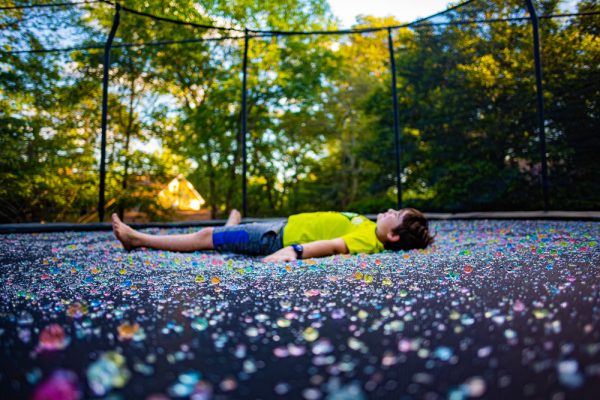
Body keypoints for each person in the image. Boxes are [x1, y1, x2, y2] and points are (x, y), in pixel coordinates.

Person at [111, 208, 434, 262]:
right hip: (277, 227)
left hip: (272, 238)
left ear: (392, 236)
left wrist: (293, 251)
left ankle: (136, 239)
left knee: (207, 237)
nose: (390, 211)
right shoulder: (368, 228)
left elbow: (332, 245)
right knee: (229, 233)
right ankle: (231, 226)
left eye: (396, 216)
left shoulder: (367, 240)